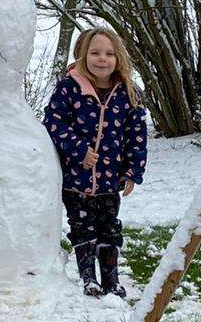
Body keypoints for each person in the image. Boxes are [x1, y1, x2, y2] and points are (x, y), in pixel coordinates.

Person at [42, 26, 149, 297]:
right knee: (82, 226)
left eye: (110, 53)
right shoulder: (70, 88)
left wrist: (133, 171)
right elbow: (54, 122)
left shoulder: (127, 92)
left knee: (109, 227)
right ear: (82, 55)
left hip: (110, 178)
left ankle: (111, 280)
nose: (102, 59)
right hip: (76, 178)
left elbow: (136, 134)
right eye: (95, 53)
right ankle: (89, 278)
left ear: (119, 58)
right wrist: (79, 150)